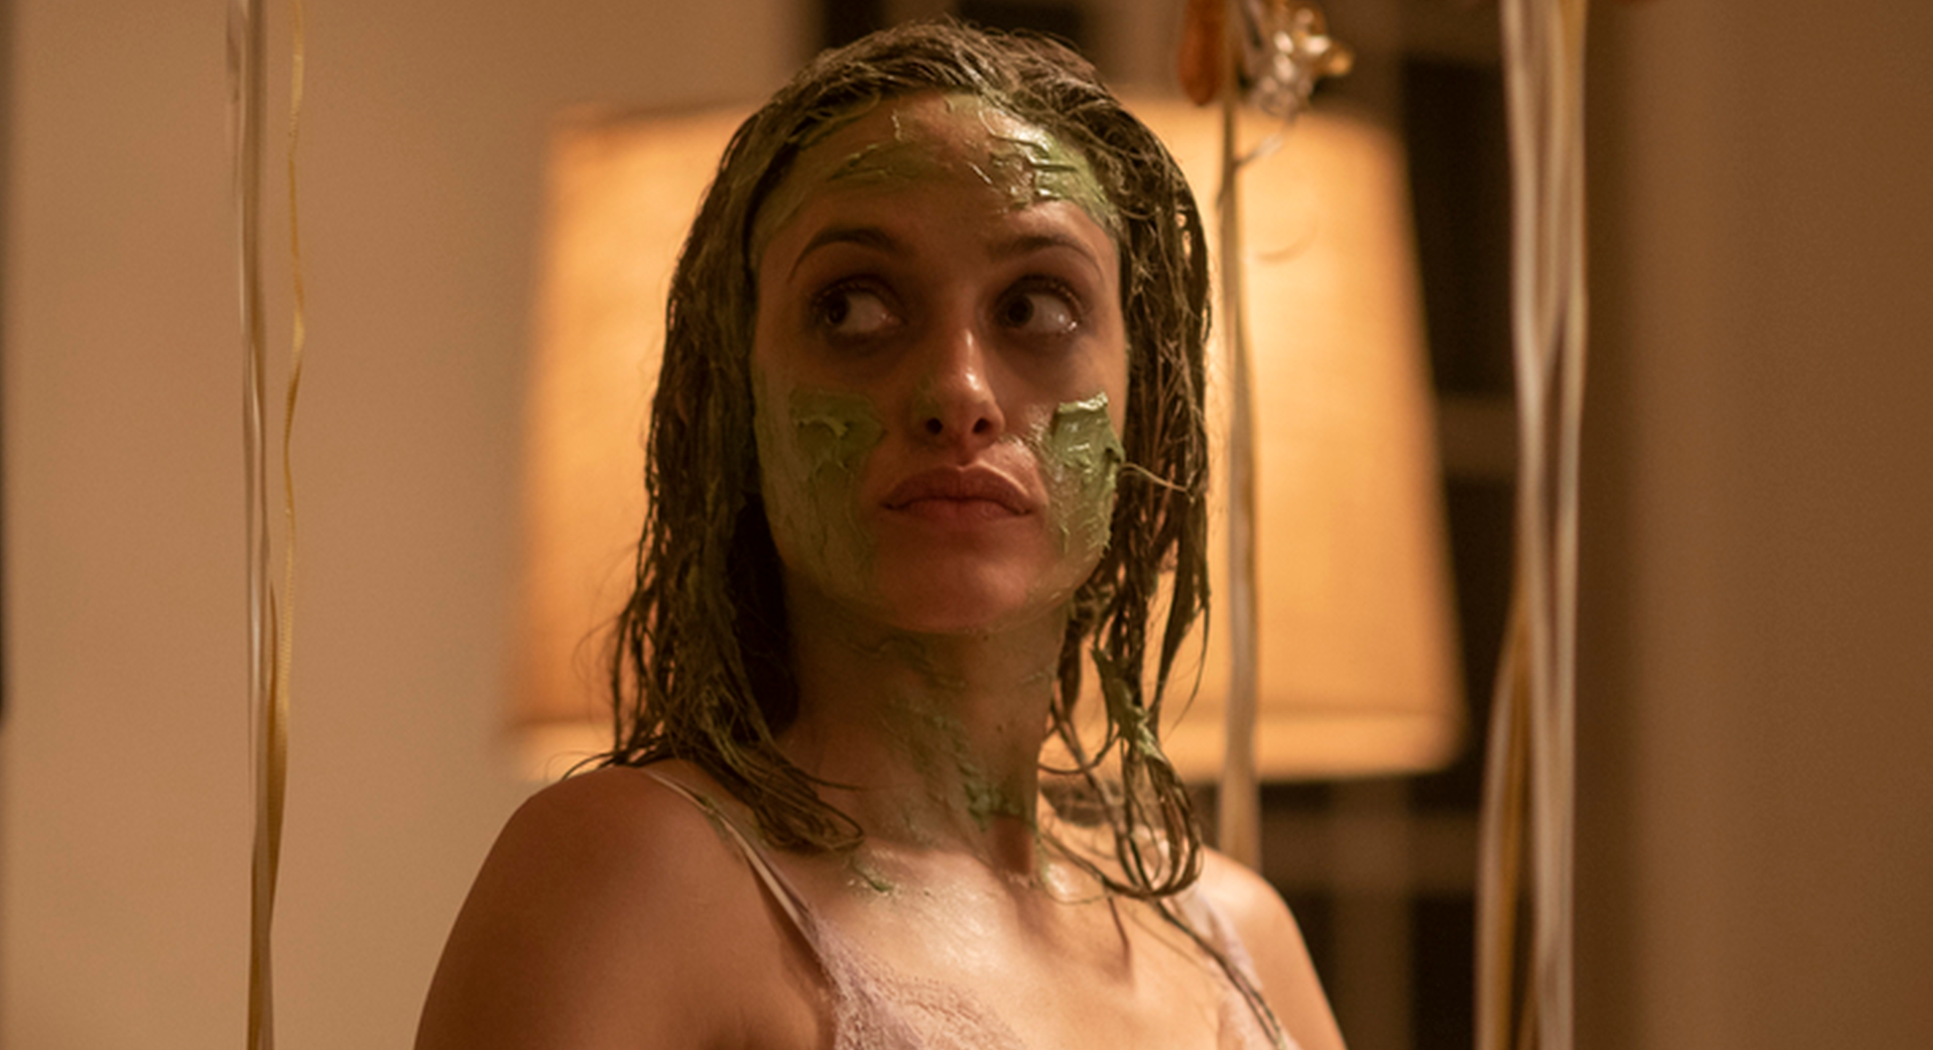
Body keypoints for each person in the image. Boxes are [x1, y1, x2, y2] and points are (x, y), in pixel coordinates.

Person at [416, 20, 1345, 1050]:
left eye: (1035, 307)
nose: (958, 391)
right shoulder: (635, 875)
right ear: (737, 403)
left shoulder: (1238, 942)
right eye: (853, 307)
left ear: (1149, 408)